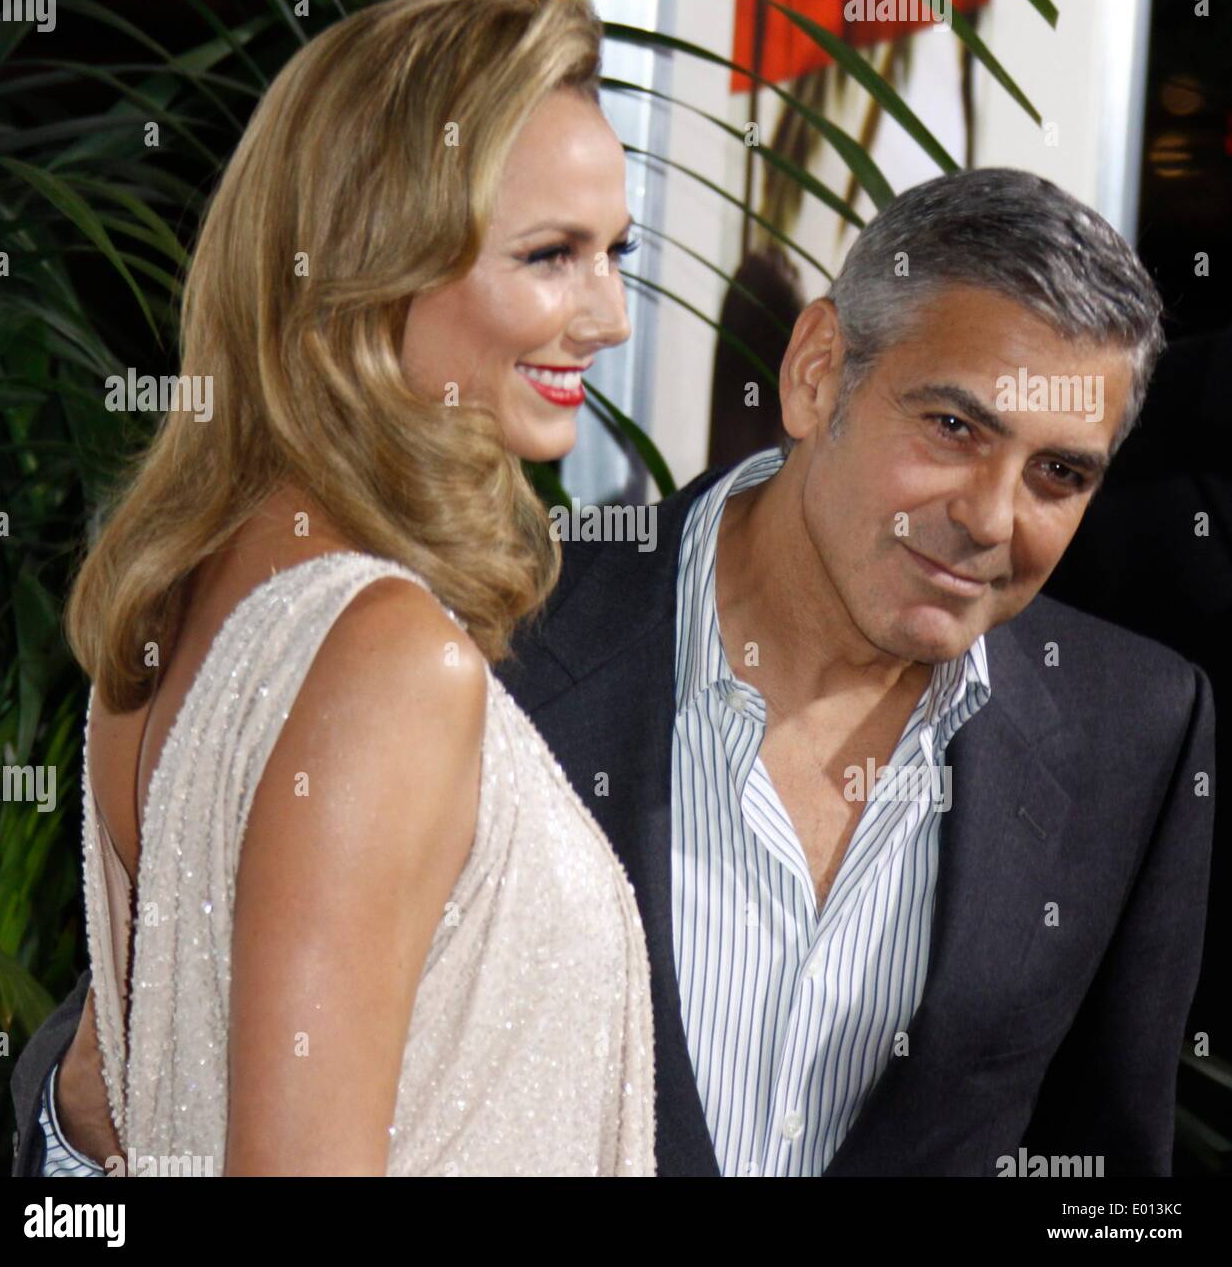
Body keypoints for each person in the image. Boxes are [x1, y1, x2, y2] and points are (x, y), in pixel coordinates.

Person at [10, 0, 655, 1176]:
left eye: (616, 252)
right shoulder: (387, 659)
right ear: (373, 258)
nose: (606, 315)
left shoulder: (179, 591)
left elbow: (111, 1096)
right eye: (550, 256)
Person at [498, 168, 1216, 1176]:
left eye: (1058, 472)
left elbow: (1105, 1173)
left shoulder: (1135, 729)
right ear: (816, 371)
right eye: (954, 428)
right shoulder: (497, 636)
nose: (990, 518)